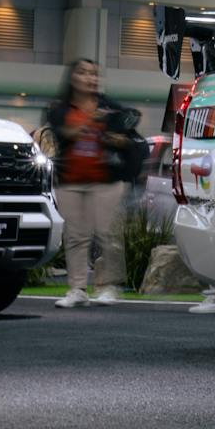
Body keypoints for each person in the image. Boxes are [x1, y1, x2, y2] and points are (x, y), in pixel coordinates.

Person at [45, 59, 143, 308]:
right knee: (75, 237)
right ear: (72, 78)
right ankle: (77, 289)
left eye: (94, 74)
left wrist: (116, 137)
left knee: (108, 234)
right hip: (70, 181)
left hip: (105, 180)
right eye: (83, 73)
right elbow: (67, 134)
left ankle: (109, 287)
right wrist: (93, 120)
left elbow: (128, 131)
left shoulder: (109, 106)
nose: (90, 78)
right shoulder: (59, 109)